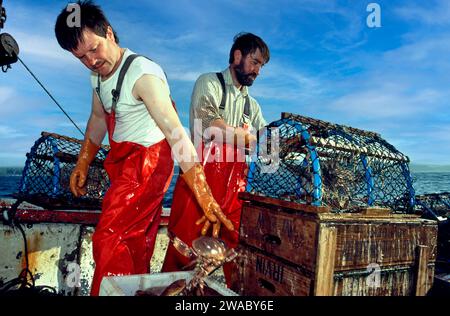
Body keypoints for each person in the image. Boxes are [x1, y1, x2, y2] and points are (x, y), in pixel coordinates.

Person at [54, 0, 233, 296]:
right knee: (135, 239)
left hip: (147, 165)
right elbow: (98, 119)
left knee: (109, 237)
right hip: (124, 164)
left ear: (109, 33)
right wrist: (83, 162)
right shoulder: (96, 77)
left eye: (94, 48)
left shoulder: (143, 74)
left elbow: (176, 132)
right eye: (81, 57)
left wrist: (202, 192)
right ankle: (132, 289)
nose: (91, 60)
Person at [162, 32, 270, 287]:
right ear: (237, 56)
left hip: (235, 193)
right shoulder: (209, 83)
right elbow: (210, 127)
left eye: (261, 66)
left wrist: (281, 140)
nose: (257, 71)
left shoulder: (252, 106)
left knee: (237, 252)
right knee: (184, 251)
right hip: (199, 183)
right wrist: (251, 138)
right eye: (254, 62)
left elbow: (268, 143)